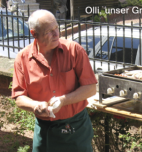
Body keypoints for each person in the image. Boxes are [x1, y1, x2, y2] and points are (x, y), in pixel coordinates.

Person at [11, 9, 97, 152]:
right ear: (34, 34)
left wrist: (63, 100)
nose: (56, 34)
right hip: (45, 130)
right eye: (49, 31)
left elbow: (90, 88)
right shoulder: (22, 58)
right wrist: (35, 106)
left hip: (76, 126)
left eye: (56, 28)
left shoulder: (74, 50)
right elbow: (19, 97)